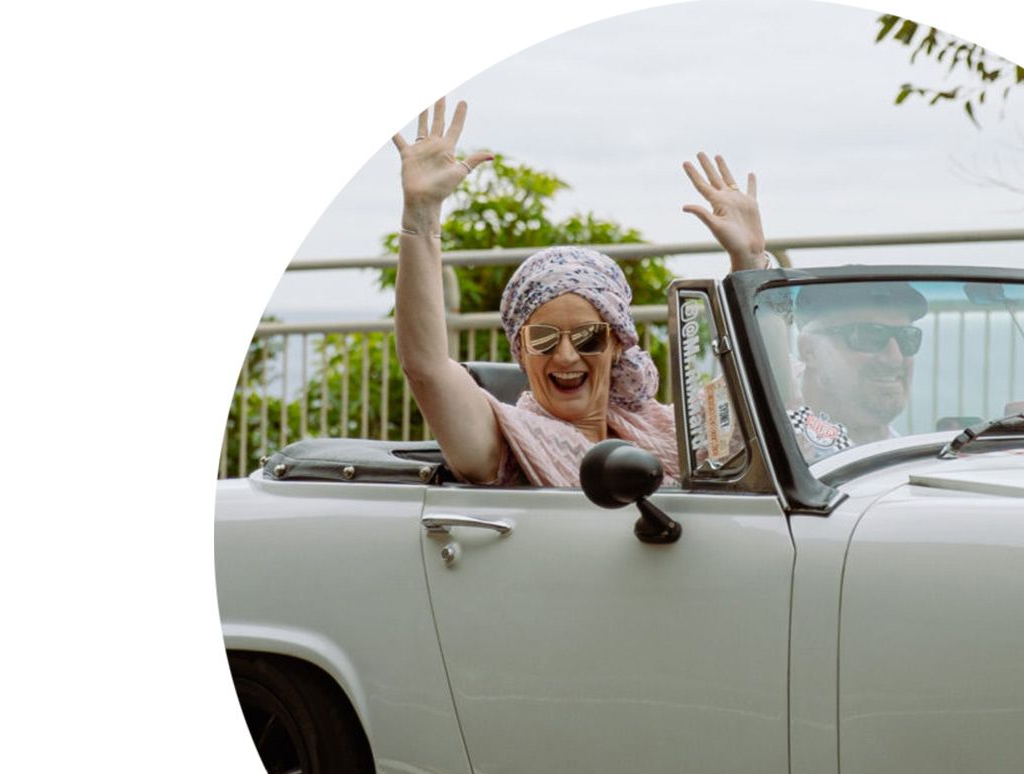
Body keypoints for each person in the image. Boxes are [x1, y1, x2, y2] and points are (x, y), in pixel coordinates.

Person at [392, 99, 768, 486]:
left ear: (617, 343)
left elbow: (758, 407)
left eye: (589, 336)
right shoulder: (510, 441)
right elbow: (427, 368)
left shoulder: (665, 429)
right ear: (521, 350)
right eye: (543, 337)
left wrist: (750, 262)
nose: (566, 355)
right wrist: (421, 214)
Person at [783, 281, 928, 460]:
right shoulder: (779, 453)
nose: (894, 358)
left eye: (907, 337)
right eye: (870, 336)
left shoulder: (917, 459)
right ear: (809, 350)